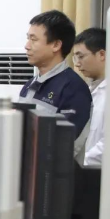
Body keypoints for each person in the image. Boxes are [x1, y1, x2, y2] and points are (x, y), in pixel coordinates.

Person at [19, 10, 92, 153]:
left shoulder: (74, 88)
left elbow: (66, 146)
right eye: (28, 38)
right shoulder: (29, 85)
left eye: (34, 40)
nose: (27, 46)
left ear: (56, 45)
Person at [73, 28, 107, 166]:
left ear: (101, 54)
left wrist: (80, 162)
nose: (77, 64)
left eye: (81, 56)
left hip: (100, 171)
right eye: (75, 58)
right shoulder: (88, 90)